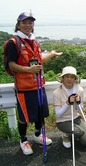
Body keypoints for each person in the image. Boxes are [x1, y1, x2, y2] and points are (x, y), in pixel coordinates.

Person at [5, 12, 63, 155]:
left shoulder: (34, 41)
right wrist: (29, 70)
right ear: (18, 24)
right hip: (24, 87)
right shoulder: (13, 43)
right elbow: (11, 65)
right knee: (24, 117)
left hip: (38, 84)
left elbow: (38, 61)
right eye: (24, 22)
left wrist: (50, 55)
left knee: (40, 113)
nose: (28, 25)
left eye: (31, 23)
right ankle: (23, 140)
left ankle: (38, 135)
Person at [53, 66, 86, 148]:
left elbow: (80, 109)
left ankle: (73, 133)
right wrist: (67, 103)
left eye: (72, 77)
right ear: (63, 78)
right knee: (79, 132)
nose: (69, 79)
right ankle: (66, 135)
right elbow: (58, 114)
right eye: (67, 76)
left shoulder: (80, 90)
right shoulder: (56, 93)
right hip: (62, 121)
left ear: (75, 79)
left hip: (75, 117)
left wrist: (77, 103)